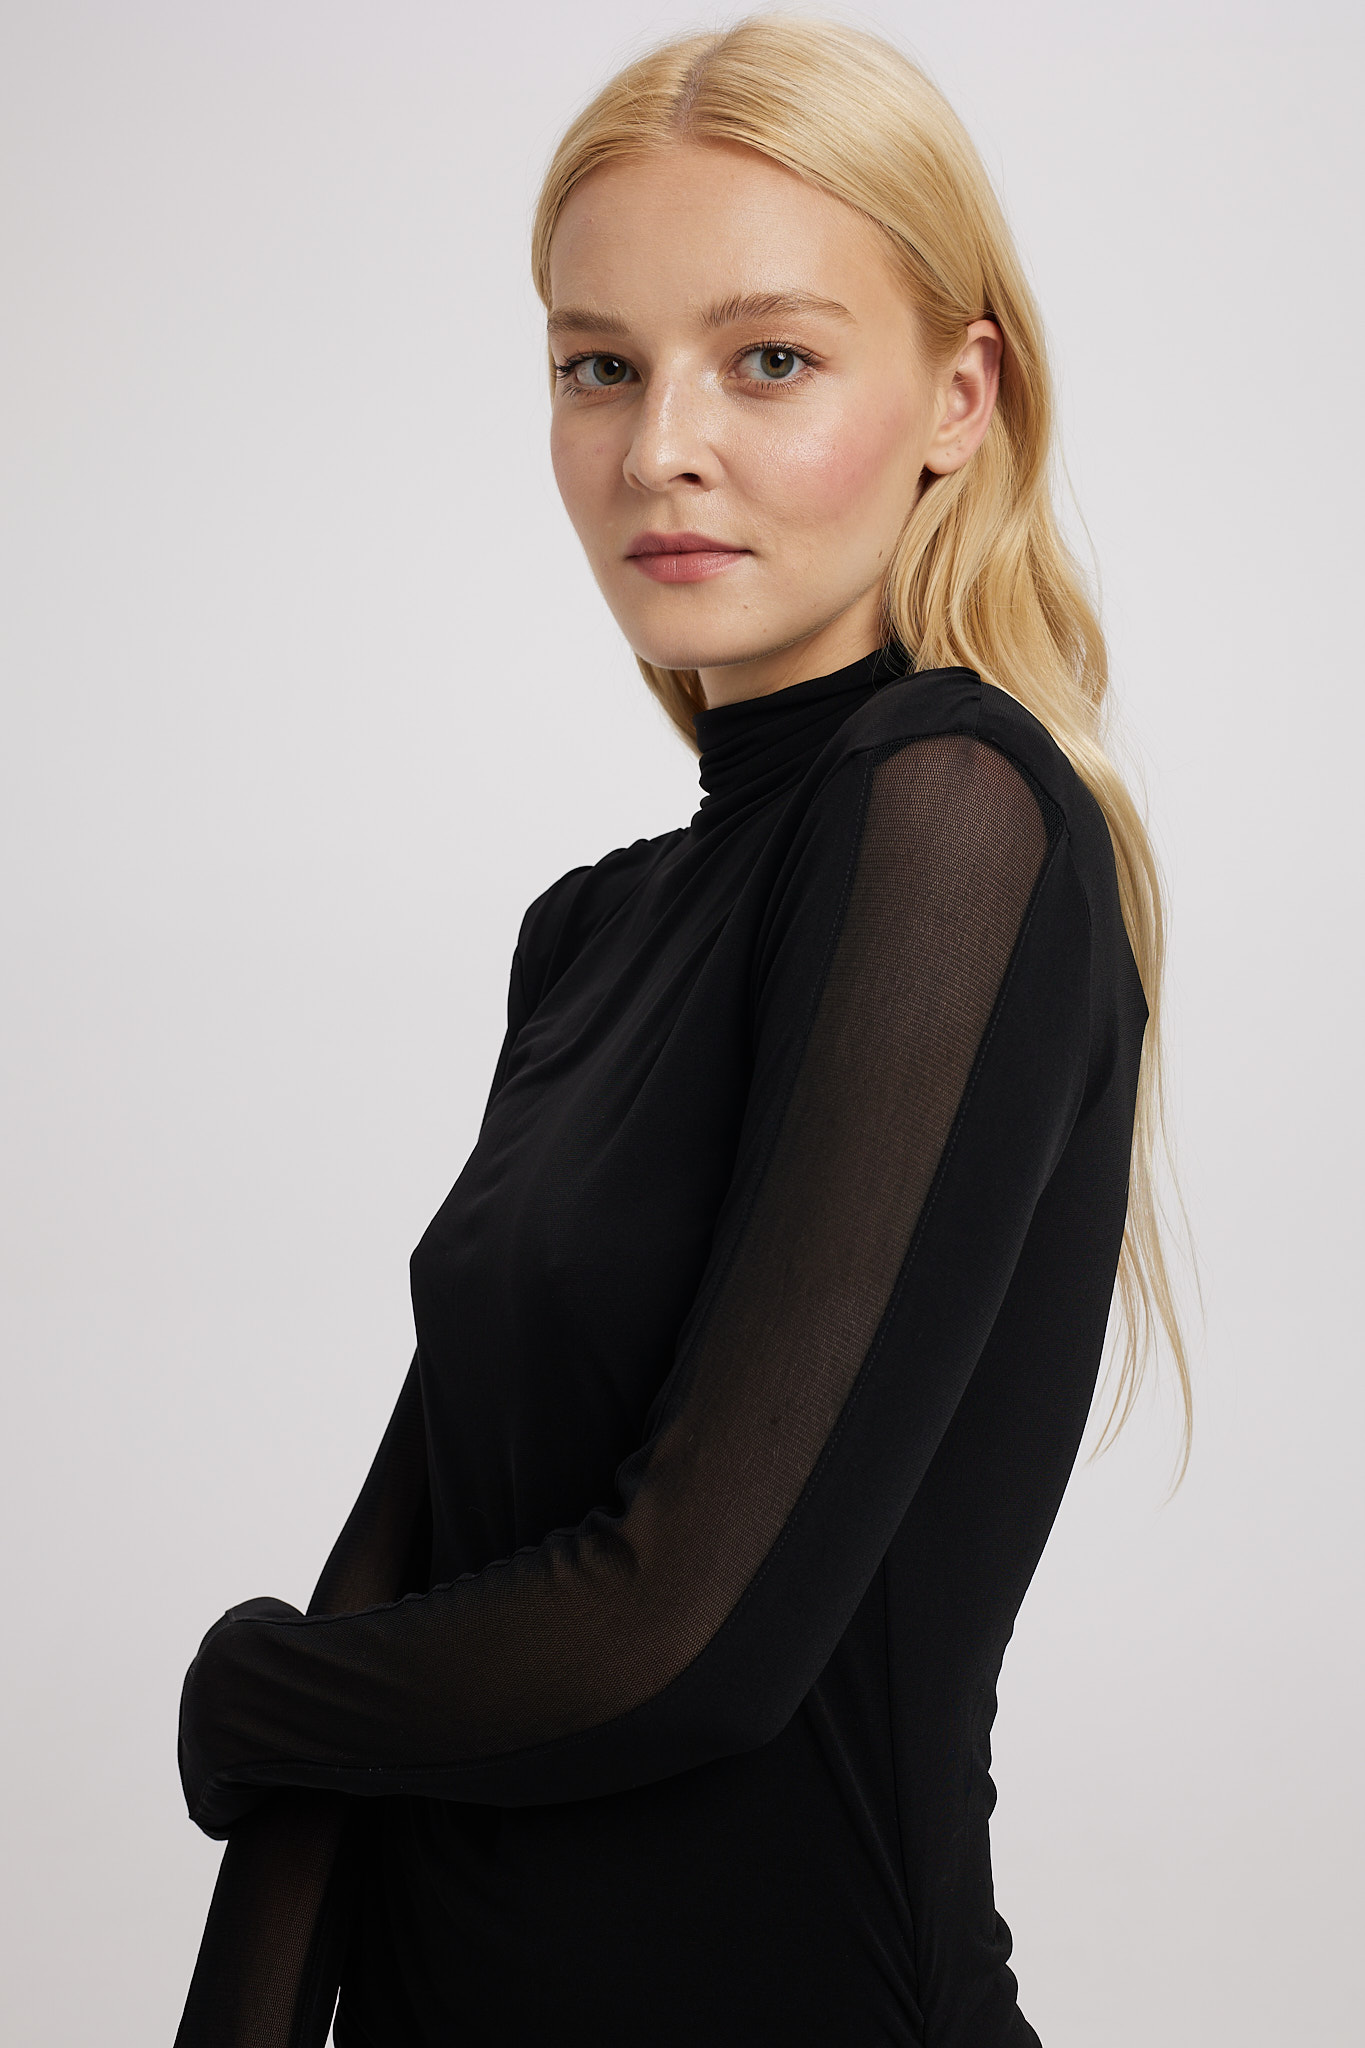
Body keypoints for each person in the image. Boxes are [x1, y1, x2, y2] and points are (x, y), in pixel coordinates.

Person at [173, 18, 1189, 2046]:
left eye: (769, 359)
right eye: (598, 366)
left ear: (958, 397)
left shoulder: (952, 812)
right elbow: (414, 1551)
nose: (659, 449)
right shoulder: (587, 935)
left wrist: (247, 1691)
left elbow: (684, 1636)